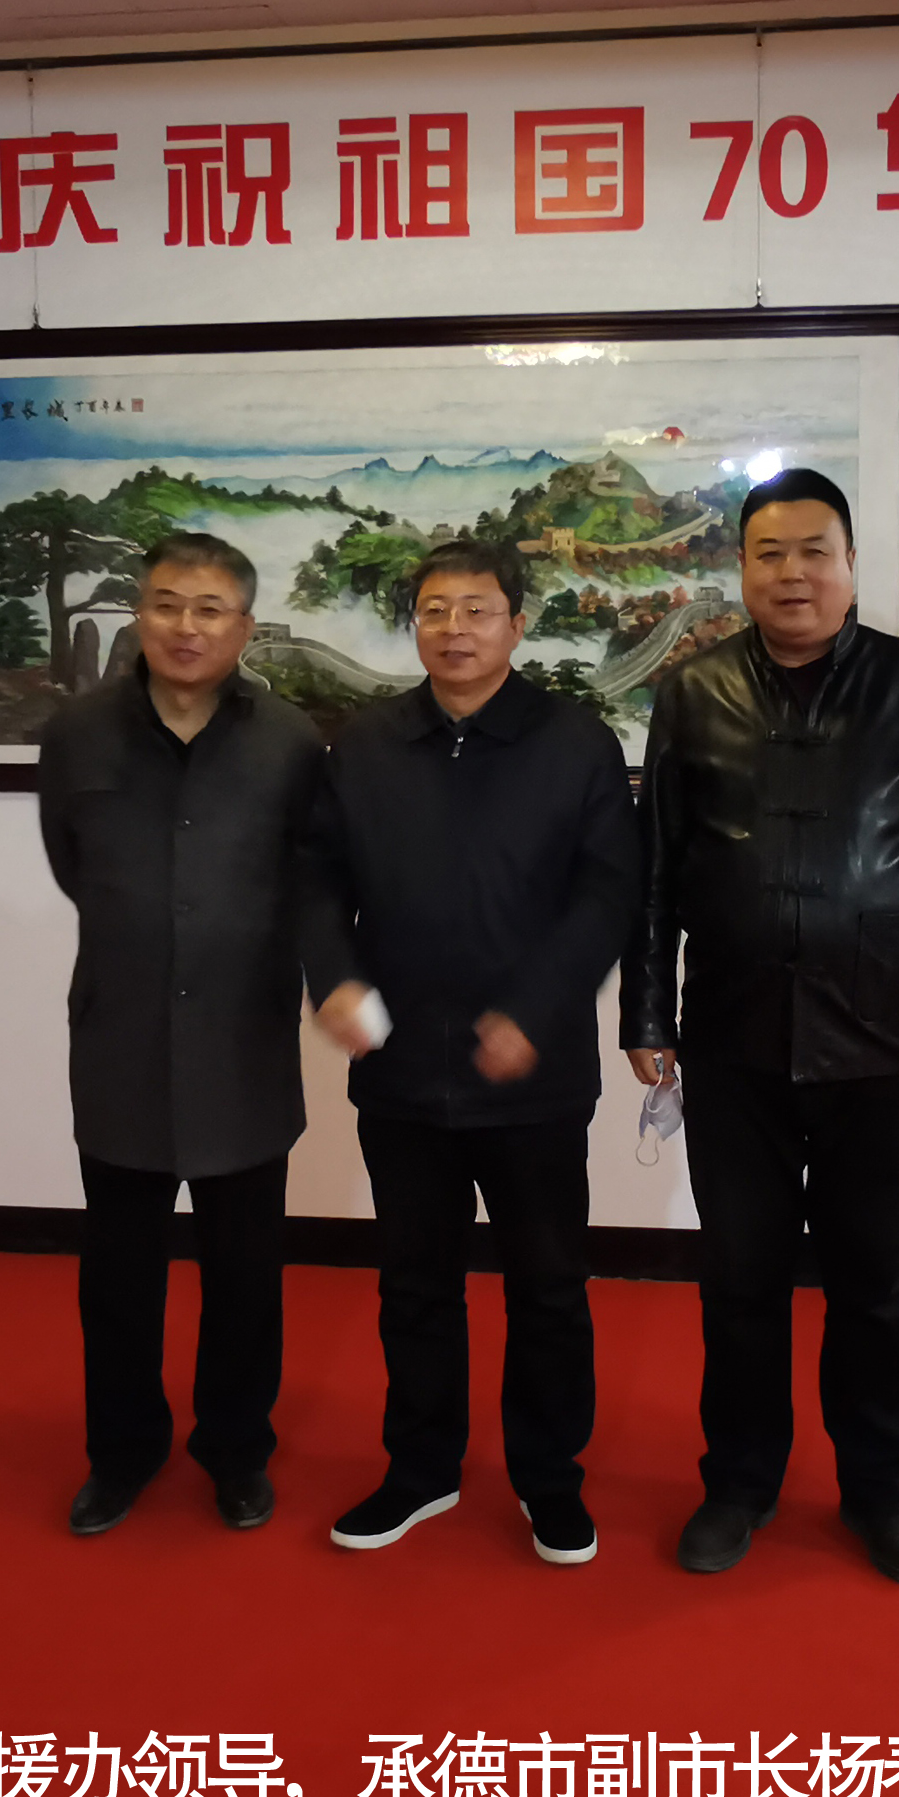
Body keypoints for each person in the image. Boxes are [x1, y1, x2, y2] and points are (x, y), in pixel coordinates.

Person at [624, 467, 899, 1588]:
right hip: (731, 1039)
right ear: (739, 568)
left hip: (876, 1040)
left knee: (872, 1282)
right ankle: (738, 1482)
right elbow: (653, 873)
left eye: (813, 551)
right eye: (768, 552)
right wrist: (646, 1010)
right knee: (738, 1279)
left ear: (850, 565)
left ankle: (879, 1488)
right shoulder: (691, 690)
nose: (791, 573)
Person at [307, 540, 640, 1565]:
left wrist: (533, 1010)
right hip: (401, 1070)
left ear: (516, 624)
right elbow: (317, 882)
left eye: (477, 609)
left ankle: (550, 1479)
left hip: (533, 1075)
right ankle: (420, 1470)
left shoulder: (575, 742)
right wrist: (335, 981)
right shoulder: (364, 744)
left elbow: (607, 894)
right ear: (413, 623)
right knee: (414, 1285)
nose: (454, 628)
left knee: (548, 1287)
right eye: (434, 609)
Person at [35, 534, 330, 1538]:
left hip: (243, 1042)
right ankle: (120, 1452)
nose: (185, 627)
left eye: (209, 610)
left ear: (243, 627)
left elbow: (308, 881)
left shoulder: (291, 741)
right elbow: (72, 863)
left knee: (244, 1274)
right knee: (119, 1272)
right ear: (138, 613)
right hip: (121, 1036)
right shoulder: (76, 734)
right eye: (166, 604)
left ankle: (236, 1452)